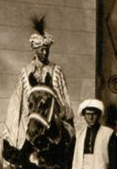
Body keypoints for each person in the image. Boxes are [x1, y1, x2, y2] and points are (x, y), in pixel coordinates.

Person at [5, 17, 73, 149]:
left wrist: (64, 112)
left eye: (47, 49)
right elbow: (18, 100)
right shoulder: (25, 72)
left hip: (53, 121)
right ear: (34, 49)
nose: (45, 52)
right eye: (41, 49)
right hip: (30, 121)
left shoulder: (56, 70)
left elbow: (64, 97)